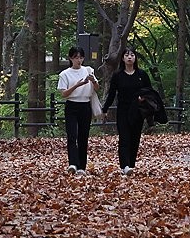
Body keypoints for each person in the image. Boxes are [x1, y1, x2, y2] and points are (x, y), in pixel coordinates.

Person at [103, 47, 152, 174]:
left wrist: (144, 98)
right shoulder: (118, 75)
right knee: (124, 137)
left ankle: (131, 164)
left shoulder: (142, 75)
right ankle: (124, 165)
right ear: (123, 58)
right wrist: (105, 109)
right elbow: (112, 93)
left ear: (135, 58)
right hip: (123, 110)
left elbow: (149, 92)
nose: (129, 57)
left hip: (138, 110)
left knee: (135, 138)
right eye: (126, 55)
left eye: (132, 55)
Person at [57, 46, 98, 174]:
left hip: (85, 105)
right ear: (70, 58)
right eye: (76, 57)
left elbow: (97, 88)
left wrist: (93, 81)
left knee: (83, 137)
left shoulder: (88, 70)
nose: (78, 60)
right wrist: (77, 85)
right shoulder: (65, 74)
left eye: (80, 57)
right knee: (72, 135)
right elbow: (64, 94)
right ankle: (73, 163)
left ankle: (82, 167)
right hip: (72, 105)